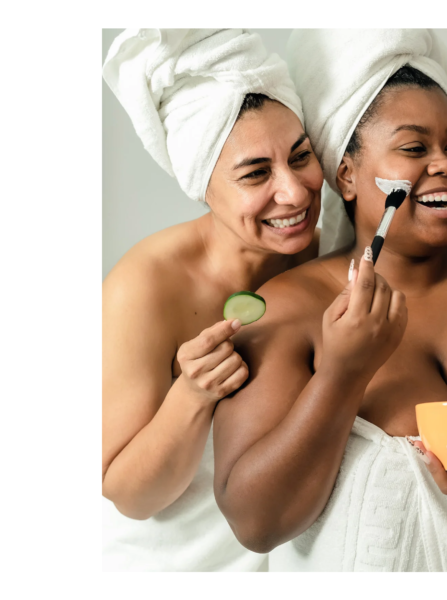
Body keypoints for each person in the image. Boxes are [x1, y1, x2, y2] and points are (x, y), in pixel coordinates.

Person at [212, 29, 447, 572]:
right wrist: (342, 373)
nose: (444, 165)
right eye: (415, 148)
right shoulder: (285, 312)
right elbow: (256, 524)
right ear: (346, 175)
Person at [101, 29, 323, 571]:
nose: (294, 192)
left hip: (294, 554)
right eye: (255, 174)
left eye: (301, 157)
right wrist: (193, 395)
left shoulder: (332, 241)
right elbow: (130, 497)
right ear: (203, 185)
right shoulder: (146, 285)